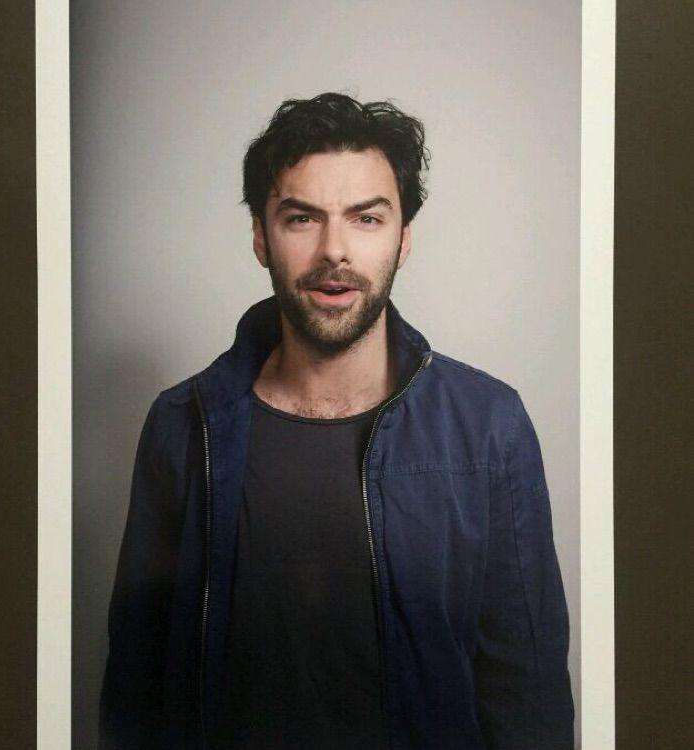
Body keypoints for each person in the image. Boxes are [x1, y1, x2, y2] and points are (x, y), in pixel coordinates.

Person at [100, 92, 574, 750]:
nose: (335, 251)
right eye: (302, 218)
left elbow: (529, 698)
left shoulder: (490, 427)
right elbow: (135, 690)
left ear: (403, 239)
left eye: (366, 218)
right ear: (261, 238)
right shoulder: (183, 426)